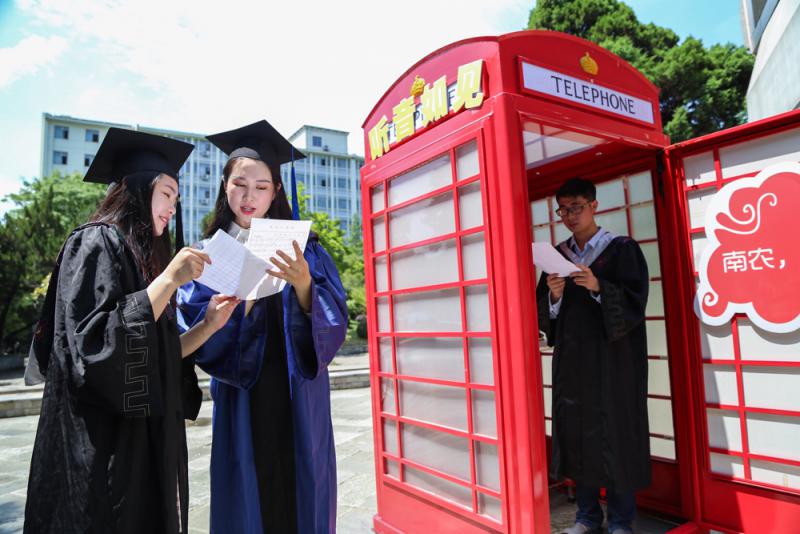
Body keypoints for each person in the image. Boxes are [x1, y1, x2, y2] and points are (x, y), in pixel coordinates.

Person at [23, 128, 239, 533]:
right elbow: (96, 349)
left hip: (142, 444)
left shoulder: (145, 261)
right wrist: (169, 280)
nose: (173, 206)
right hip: (101, 445)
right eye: (167, 193)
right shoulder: (94, 243)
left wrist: (208, 326)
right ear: (139, 189)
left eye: (176, 198)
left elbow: (156, 356)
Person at [177, 120, 348, 534]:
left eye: (261, 186)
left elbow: (335, 320)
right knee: (248, 487)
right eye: (240, 184)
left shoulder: (305, 246)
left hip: (297, 392)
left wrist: (304, 283)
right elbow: (193, 329)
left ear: (276, 191)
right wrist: (241, 306)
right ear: (224, 185)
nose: (249, 196)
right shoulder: (209, 253)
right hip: (243, 392)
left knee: (301, 483)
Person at [535, 178, 650, 534]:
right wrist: (553, 297)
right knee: (577, 436)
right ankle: (586, 517)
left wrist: (600, 287)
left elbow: (635, 301)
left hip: (614, 362)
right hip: (572, 363)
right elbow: (544, 315)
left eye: (576, 208)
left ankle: (619, 520)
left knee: (616, 434)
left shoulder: (621, 249)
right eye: (563, 210)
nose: (569, 216)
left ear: (594, 206)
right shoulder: (558, 254)